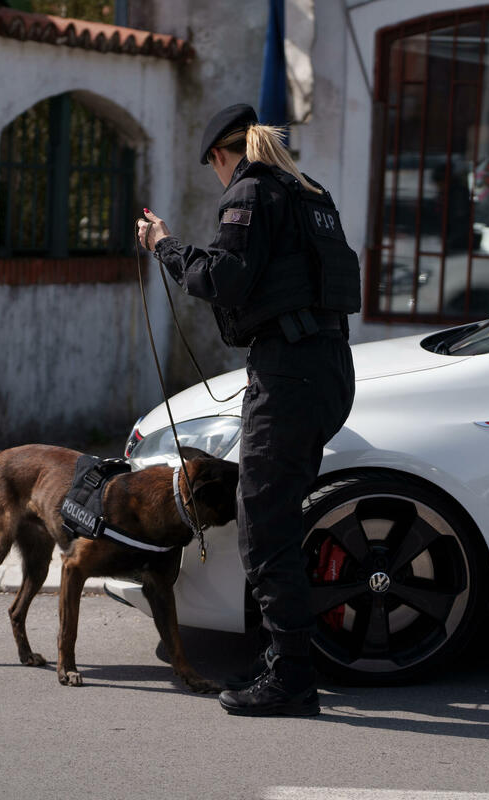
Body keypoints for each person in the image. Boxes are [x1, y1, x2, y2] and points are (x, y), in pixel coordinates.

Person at [135, 103, 359, 717]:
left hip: (290, 373)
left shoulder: (252, 194)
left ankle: (291, 678)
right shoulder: (309, 192)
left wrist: (165, 246)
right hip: (329, 365)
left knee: (263, 525)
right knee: (276, 516)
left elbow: (226, 278)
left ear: (219, 156)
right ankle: (281, 655)